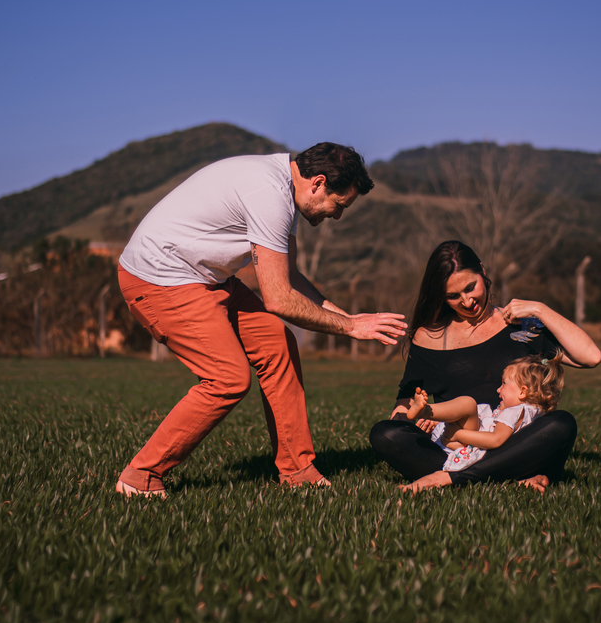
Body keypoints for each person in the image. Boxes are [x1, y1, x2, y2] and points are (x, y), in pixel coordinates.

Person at [116, 143, 407, 497]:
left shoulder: (285, 189)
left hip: (208, 279)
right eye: (339, 205)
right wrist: (350, 328)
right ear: (317, 183)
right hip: (161, 279)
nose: (337, 215)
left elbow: (291, 278)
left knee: (277, 345)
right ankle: (140, 476)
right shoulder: (269, 194)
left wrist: (346, 316)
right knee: (227, 379)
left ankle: (297, 470)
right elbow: (279, 299)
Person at [369, 240, 600, 493]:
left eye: (471, 288)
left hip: (516, 441)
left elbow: (590, 357)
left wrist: (539, 309)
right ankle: (513, 477)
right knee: (385, 433)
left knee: (561, 423)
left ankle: (452, 479)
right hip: (457, 443)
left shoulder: (522, 327)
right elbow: (404, 404)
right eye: (453, 296)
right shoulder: (428, 337)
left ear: (483, 271)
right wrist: (421, 418)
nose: (467, 301)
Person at [401, 351, 565, 487]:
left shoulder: (515, 411)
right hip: (480, 451)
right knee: (470, 406)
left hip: (465, 446)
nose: (498, 389)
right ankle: (427, 412)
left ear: (522, 392)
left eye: (504, 383)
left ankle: (426, 411)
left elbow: (494, 439)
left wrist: (457, 434)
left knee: (468, 403)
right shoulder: (537, 414)